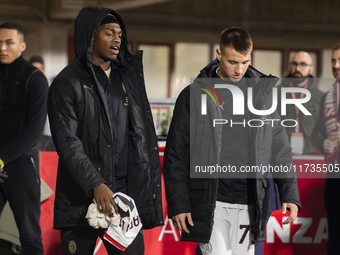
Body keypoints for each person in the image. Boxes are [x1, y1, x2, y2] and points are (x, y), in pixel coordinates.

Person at [163, 27, 301, 255]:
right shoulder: (193, 96)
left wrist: (289, 193)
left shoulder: (263, 97)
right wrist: (179, 204)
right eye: (232, 62)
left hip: (250, 202)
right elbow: (176, 154)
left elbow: (280, 149)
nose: (239, 70)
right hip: (212, 202)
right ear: (219, 54)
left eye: (245, 62)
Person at [48, 6, 163, 255]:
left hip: (121, 198)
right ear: (90, 35)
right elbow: (67, 141)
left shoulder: (127, 79)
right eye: (109, 32)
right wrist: (95, 184)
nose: (117, 39)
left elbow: (139, 137)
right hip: (80, 198)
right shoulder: (67, 82)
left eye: (120, 34)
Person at [0, 22, 48, 255]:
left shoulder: (35, 79)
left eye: (9, 42)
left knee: (29, 236)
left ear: (22, 45)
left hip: (20, 164)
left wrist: (2, 158)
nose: (2, 48)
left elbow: (34, 130)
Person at [312, 43, 340, 255]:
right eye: (333, 61)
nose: (336, 65)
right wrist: (323, 143)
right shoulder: (327, 96)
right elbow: (316, 133)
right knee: (335, 240)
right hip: (334, 177)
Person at [277, 51, 323, 154]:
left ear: (311, 69)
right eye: (294, 64)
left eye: (303, 64)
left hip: (311, 155)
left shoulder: (320, 98)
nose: (297, 69)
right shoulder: (274, 94)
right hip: (280, 155)